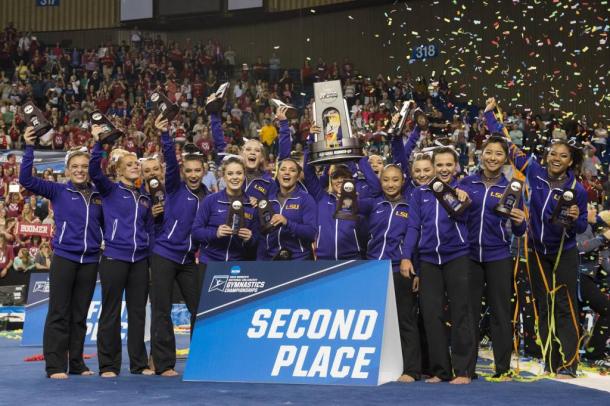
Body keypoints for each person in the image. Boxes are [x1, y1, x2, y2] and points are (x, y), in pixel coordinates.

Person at [486, 98, 588, 377]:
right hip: (535, 252)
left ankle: (568, 364)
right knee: (543, 306)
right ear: (547, 156)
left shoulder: (576, 189)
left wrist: (577, 216)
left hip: (562, 254)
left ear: (571, 161)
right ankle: (550, 360)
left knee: (565, 307)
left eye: (563, 156)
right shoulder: (534, 171)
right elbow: (508, 147)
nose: (556, 159)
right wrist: (490, 117)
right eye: (553, 154)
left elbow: (580, 228)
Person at [19, 127, 103, 379]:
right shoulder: (58, 190)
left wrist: (97, 145)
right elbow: (26, 180)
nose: (79, 170)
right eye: (74, 166)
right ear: (67, 170)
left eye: (84, 166)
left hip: (90, 260)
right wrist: (29, 147)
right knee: (59, 312)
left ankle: (76, 363)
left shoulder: (100, 195)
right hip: (65, 258)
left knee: (79, 315)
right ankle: (55, 366)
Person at [402, 146, 478, 384]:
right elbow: (413, 226)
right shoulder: (419, 194)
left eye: (449, 165)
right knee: (431, 314)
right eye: (440, 165)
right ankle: (440, 370)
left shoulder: (463, 190)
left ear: (456, 166)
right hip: (428, 260)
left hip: (457, 256)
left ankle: (463, 371)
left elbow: (465, 217)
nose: (444, 169)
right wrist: (406, 256)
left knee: (460, 313)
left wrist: (462, 197)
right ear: (433, 166)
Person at [459, 135, 527, 379]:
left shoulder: (511, 188)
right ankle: (466, 369)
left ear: (505, 158)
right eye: (488, 152)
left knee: (500, 313)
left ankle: (503, 368)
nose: (492, 158)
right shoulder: (465, 183)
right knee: (469, 312)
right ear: (481, 154)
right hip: (468, 256)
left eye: (498, 154)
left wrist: (521, 223)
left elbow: (518, 229)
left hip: (498, 255)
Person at [89, 126, 154, 378]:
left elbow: (150, 230)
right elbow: (94, 170)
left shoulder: (144, 197)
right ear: (118, 169)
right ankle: (108, 365)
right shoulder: (109, 189)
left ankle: (138, 364)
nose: (135, 166)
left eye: (136, 163)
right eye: (129, 164)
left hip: (139, 260)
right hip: (115, 257)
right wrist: (98, 144)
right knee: (111, 311)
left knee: (138, 313)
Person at [150, 115, 209, 377]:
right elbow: (171, 164)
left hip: (188, 260)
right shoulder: (174, 188)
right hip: (163, 254)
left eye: (198, 170)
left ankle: (202, 358)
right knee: (162, 310)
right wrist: (166, 137)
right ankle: (164, 364)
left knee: (199, 308)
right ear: (183, 173)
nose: (194, 174)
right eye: (190, 170)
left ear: (204, 172)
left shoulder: (209, 197)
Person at [358, 163, 421, 382]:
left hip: (399, 269)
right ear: (380, 182)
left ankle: (412, 370)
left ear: (403, 181)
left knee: (405, 320)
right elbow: (347, 203)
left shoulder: (411, 204)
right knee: (374, 321)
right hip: (372, 268)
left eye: (395, 179)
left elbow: (417, 239)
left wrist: (418, 271)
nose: (390, 184)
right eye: (386, 180)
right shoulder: (373, 204)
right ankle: (375, 366)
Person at [191, 156, 257, 263]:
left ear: (244, 176)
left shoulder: (251, 205)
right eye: (230, 174)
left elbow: (257, 240)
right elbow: (195, 232)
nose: (235, 177)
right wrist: (215, 233)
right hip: (210, 261)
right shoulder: (210, 200)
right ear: (224, 177)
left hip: (237, 264)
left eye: (239, 173)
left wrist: (249, 239)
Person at [256, 158, 316, 261]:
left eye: (292, 170)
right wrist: (260, 262)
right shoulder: (268, 200)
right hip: (271, 261)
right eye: (283, 169)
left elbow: (312, 233)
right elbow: (262, 236)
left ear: (297, 177)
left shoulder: (306, 199)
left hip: (299, 261)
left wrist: (287, 223)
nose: (287, 173)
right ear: (277, 175)